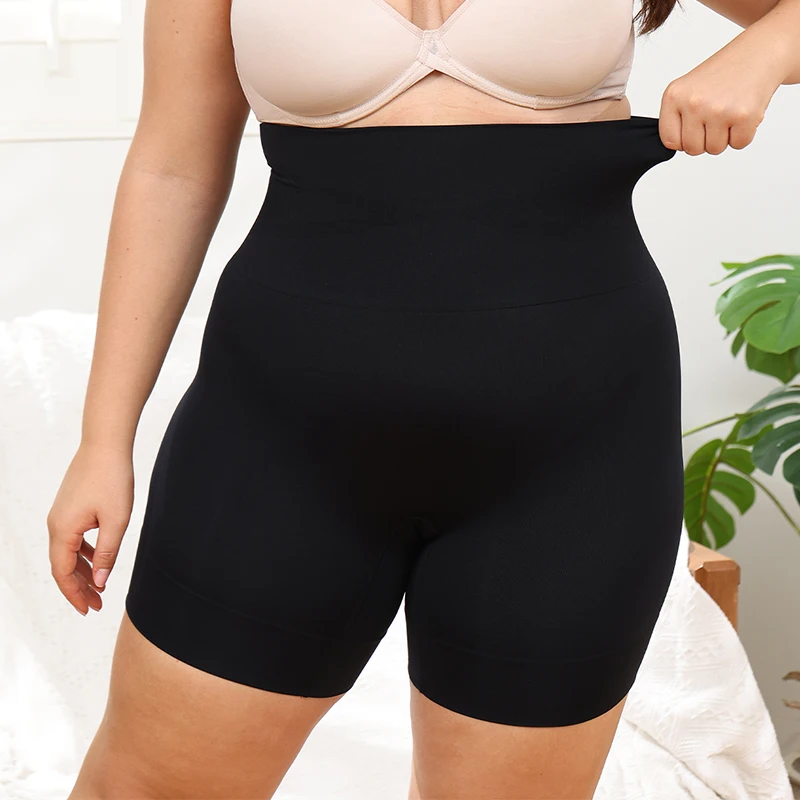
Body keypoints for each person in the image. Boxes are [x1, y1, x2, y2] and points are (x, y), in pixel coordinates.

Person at [46, 0, 797, 797]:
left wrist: (766, 49)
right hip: (276, 437)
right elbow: (172, 167)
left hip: (571, 453)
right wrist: (103, 439)